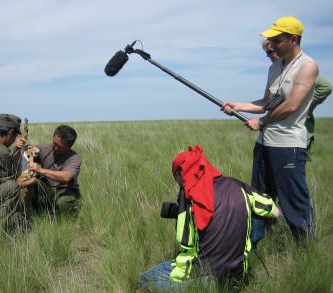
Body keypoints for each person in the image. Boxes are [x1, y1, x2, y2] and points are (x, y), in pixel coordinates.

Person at [221, 16, 319, 247]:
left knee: (294, 202)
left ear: (293, 39)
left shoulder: (308, 67)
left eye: (277, 40)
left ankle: (308, 252)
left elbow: (291, 105)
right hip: (265, 144)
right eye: (271, 40)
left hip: (288, 147)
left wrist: (262, 122)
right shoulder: (275, 67)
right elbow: (268, 101)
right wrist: (239, 105)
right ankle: (254, 247)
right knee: (260, 198)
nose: (272, 45)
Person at [139, 146, 280, 292]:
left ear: (182, 173)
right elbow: (275, 212)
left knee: (146, 279)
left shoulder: (189, 196)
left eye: (176, 177)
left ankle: (200, 287)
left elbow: (185, 242)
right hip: (238, 274)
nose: (178, 183)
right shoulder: (238, 186)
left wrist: (182, 213)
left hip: (205, 275)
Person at [262, 40, 332, 153]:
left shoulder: (300, 68)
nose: (268, 55)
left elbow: (325, 87)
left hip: (296, 132)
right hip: (277, 132)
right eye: (267, 52)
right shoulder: (275, 70)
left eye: (270, 51)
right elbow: (266, 100)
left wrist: (303, 104)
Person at [19, 125, 82, 217]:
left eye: (60, 147)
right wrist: (19, 146)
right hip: (47, 188)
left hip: (64, 190)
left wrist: (41, 170)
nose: (55, 148)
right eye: (54, 143)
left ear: (69, 147)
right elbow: (25, 151)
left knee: (62, 205)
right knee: (30, 184)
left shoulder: (74, 158)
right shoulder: (45, 147)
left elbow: (66, 177)